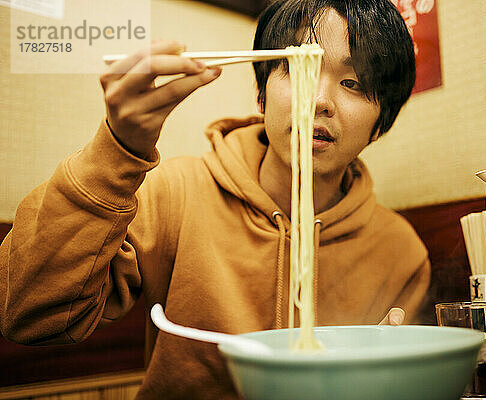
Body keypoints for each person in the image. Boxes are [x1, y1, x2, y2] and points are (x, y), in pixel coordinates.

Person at [0, 0, 430, 398]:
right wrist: (116, 150)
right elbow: (28, 314)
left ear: (379, 125)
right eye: (297, 67)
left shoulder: (400, 251)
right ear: (261, 95)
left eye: (354, 83)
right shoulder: (178, 193)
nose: (318, 100)